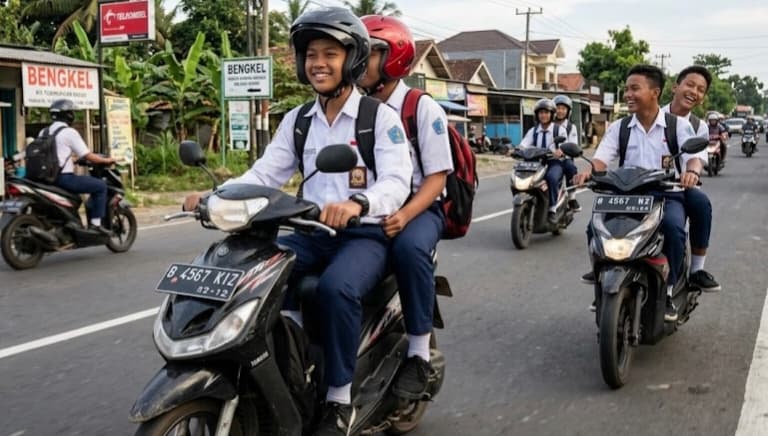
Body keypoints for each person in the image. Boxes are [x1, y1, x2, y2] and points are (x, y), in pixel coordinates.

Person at [184, 8, 412, 436]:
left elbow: (398, 180)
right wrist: (215, 195)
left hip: (361, 235)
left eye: (330, 53)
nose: (318, 63)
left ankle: (338, 401)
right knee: (253, 280)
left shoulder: (378, 118)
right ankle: (281, 374)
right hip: (310, 232)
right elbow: (264, 174)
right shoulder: (298, 120)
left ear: (354, 59)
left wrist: (359, 202)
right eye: (311, 54)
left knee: (336, 288)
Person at [359, 14, 453, 400]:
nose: (358, 63)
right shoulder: (352, 106)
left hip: (418, 208)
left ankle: (417, 354)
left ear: (394, 58)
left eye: (369, 54)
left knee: (409, 249)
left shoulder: (421, 108)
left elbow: (437, 177)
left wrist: (405, 214)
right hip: (367, 207)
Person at [574, 64, 705, 322]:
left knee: (674, 228)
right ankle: (602, 274)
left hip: (666, 194)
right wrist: (588, 173)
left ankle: (669, 290)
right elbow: (601, 159)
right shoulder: (620, 127)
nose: (628, 94)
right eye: (627, 89)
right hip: (626, 195)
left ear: (655, 92)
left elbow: (693, 158)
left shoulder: (676, 126)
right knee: (595, 227)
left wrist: (692, 172)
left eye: (635, 89)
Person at [661, 66, 721, 292]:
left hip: (678, 186)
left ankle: (696, 270)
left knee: (701, 204)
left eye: (700, 89)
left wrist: (692, 173)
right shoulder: (651, 115)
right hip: (643, 186)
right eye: (690, 85)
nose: (694, 91)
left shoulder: (699, 126)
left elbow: (697, 158)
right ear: (675, 86)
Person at [46, 99, 116, 235]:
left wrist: (73, 159)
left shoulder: (45, 131)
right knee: (100, 186)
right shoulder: (69, 132)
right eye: (71, 112)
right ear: (68, 115)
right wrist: (107, 160)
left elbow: (55, 154)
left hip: (45, 178)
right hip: (63, 178)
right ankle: (96, 225)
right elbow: (88, 155)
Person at [516, 98, 576, 224]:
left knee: (552, 178)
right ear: (537, 115)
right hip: (536, 162)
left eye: (547, 112)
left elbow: (565, 144)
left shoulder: (559, 130)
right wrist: (515, 150)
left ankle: (553, 208)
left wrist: (561, 151)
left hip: (554, 162)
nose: (543, 115)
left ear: (552, 114)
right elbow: (523, 144)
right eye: (541, 112)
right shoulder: (533, 131)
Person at [552, 94, 581, 211]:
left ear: (568, 111)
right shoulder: (548, 124)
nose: (560, 111)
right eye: (558, 108)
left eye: (563, 109)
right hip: (549, 158)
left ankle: (572, 198)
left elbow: (573, 144)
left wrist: (564, 151)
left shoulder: (571, 127)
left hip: (565, 158)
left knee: (571, 168)